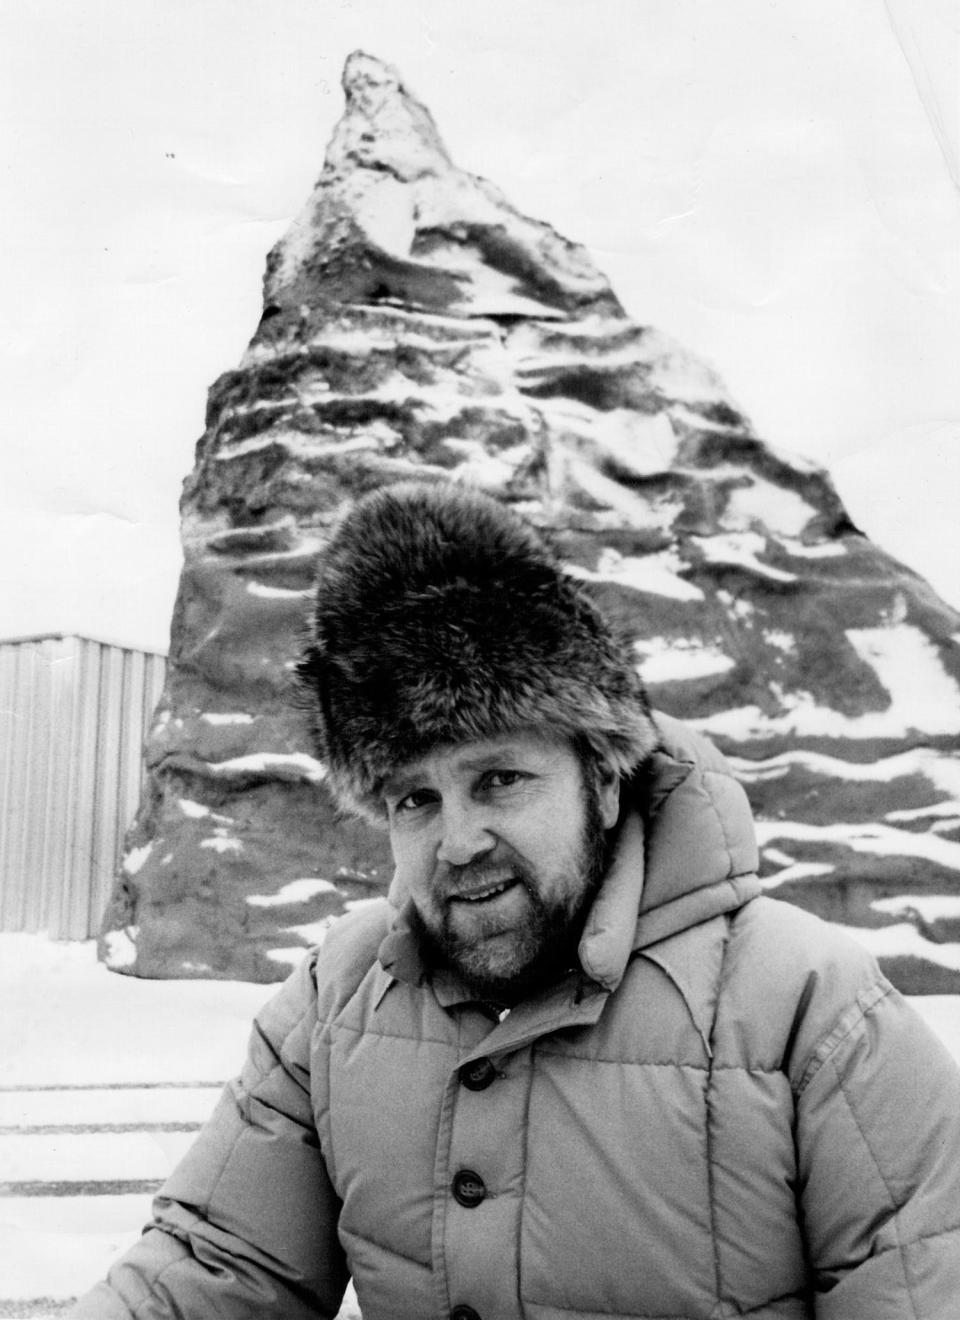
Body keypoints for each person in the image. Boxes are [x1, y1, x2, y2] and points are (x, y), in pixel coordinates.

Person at [71, 481, 960, 1319]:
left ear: (604, 780)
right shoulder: (336, 1003)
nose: (457, 841)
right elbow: (216, 1268)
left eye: (498, 779)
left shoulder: (815, 1015)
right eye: (415, 798)